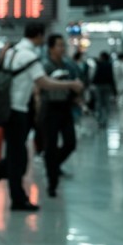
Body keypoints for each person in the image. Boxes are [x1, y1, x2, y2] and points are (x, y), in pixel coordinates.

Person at [0, 22, 83, 211]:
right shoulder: (29, 56)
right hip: (17, 111)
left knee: (17, 157)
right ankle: (13, 197)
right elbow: (43, 82)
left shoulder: (11, 51)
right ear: (38, 35)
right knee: (17, 158)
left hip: (5, 109)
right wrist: (71, 84)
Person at [39, 34, 80, 197]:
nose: (62, 48)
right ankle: (52, 182)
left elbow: (77, 83)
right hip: (50, 108)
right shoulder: (44, 65)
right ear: (51, 48)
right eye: (59, 45)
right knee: (51, 146)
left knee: (70, 142)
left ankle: (53, 166)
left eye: (63, 45)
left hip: (65, 108)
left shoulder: (69, 65)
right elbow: (42, 86)